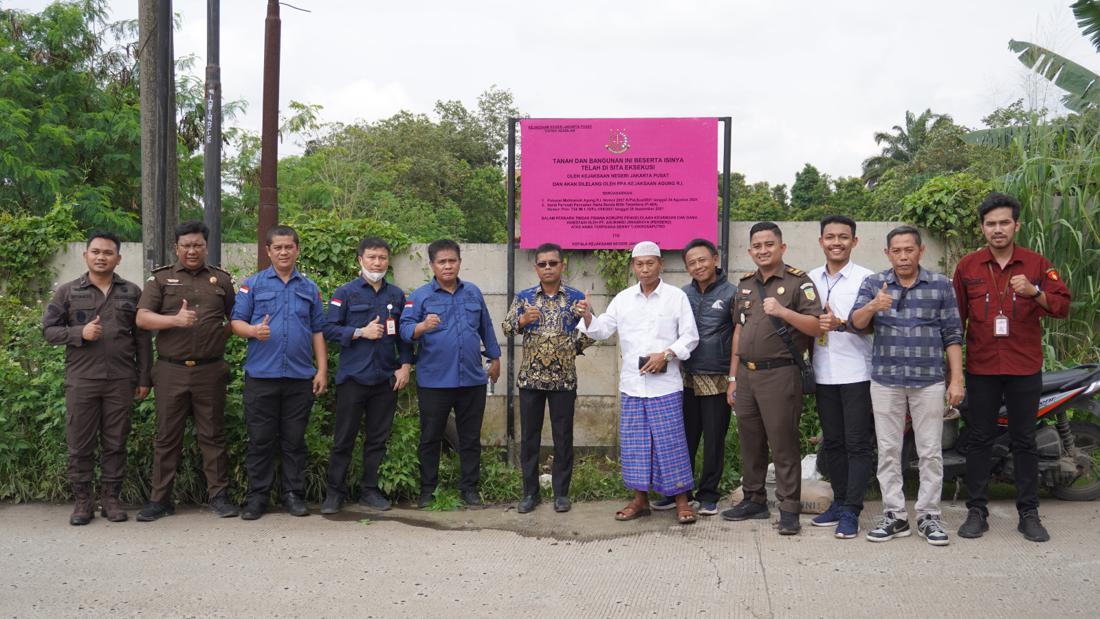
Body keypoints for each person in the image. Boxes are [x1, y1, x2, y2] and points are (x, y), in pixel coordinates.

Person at [953, 192, 1070, 543]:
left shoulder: (1036, 264)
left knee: (1024, 441)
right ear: (982, 228)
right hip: (982, 366)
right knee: (979, 439)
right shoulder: (967, 267)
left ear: (1016, 225)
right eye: (991, 224)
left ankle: (1028, 513)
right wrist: (953, 372)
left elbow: (1062, 306)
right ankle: (977, 511)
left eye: (1005, 222)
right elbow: (955, 320)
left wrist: (1035, 292)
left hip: (1023, 366)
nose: (998, 229)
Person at [851, 225, 964, 546]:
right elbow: (855, 324)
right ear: (887, 253)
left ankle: (929, 516)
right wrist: (873, 306)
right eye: (896, 251)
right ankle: (895, 515)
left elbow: (952, 334)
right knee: (888, 450)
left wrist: (956, 378)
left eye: (909, 250)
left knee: (930, 452)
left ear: (920, 251)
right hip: (886, 381)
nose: (903, 256)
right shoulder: (874, 283)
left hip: (928, 381)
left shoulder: (940, 285)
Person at [577, 241, 700, 525]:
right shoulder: (623, 299)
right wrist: (586, 315)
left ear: (661, 264)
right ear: (633, 266)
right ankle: (640, 500)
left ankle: (682, 500)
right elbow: (602, 329)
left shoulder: (675, 297)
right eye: (639, 264)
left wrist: (666, 354)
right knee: (635, 445)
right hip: (633, 386)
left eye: (650, 263)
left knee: (671, 444)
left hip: (665, 385)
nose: (645, 269)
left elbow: (690, 337)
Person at [42, 232, 153, 525]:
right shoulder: (67, 292)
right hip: (83, 379)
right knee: (80, 443)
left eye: (107, 252)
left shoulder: (131, 292)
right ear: (86, 256)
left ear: (118, 258)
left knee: (116, 442)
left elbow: (142, 339)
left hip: (120, 379)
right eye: (95, 252)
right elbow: (49, 331)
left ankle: (111, 500)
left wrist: (144, 377)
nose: (101, 257)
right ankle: (82, 503)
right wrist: (80, 333)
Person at [722, 222, 822, 536]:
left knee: (783, 443)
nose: (763, 250)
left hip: (780, 373)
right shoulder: (746, 284)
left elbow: (816, 327)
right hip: (747, 376)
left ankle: (789, 507)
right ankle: (754, 499)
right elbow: (739, 330)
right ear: (750, 251)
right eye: (757, 246)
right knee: (750, 441)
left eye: (769, 244)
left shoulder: (798, 282)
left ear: (782, 247)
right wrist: (733, 377)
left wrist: (783, 312)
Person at [135, 221, 238, 521]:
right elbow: (142, 318)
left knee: (213, 436)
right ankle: (160, 500)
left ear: (206, 247)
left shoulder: (221, 280)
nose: (192, 250)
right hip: (171, 371)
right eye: (186, 246)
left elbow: (237, 318)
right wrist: (174, 322)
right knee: (167, 437)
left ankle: (219, 497)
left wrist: (218, 337)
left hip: (210, 371)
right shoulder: (161, 280)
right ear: (176, 248)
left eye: (198, 245)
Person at [230, 225, 328, 520]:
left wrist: (322, 369)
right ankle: (258, 497)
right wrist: (253, 330)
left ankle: (292, 494)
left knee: (294, 439)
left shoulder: (309, 288)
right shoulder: (253, 285)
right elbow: (235, 323)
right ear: (268, 251)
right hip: (262, 376)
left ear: (297, 250)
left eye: (289, 247)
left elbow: (318, 331)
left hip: (299, 377)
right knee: (261, 439)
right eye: (278, 247)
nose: (283, 252)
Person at [399, 239, 501, 509]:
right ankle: (428, 491)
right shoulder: (420, 296)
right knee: (431, 437)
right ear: (432, 265)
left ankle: (469, 489)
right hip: (435, 380)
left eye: (452, 261)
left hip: (471, 379)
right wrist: (422, 326)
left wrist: (495, 357)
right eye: (442, 262)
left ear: (459, 262)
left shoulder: (473, 293)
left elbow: (486, 327)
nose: (447, 266)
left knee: (470, 438)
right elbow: (404, 331)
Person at [320, 236, 413, 514]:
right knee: (344, 438)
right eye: (372, 257)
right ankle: (334, 494)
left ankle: (369, 491)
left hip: (385, 378)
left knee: (377, 439)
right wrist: (360, 332)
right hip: (353, 378)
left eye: (382, 258)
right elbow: (328, 329)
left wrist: (405, 366)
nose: (377, 262)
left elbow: (405, 336)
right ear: (360, 259)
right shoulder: (345, 293)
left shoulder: (396, 295)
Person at [502, 242, 593, 514]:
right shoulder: (524, 297)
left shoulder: (576, 297)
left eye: (553, 263)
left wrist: (573, 344)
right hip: (531, 380)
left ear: (562, 265)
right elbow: (506, 328)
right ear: (536, 268)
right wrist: (522, 321)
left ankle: (561, 494)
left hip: (564, 381)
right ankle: (530, 493)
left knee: (563, 437)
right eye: (542, 264)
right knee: (529, 438)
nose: (548, 268)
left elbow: (594, 332)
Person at [808, 216, 876, 539]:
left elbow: (875, 325)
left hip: (857, 373)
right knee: (832, 442)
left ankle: (852, 510)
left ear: (854, 241)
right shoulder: (809, 280)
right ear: (821, 241)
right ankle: (838, 502)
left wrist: (842, 322)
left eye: (843, 237)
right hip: (823, 373)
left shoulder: (867, 279)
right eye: (830, 237)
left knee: (858, 444)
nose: (837, 242)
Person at [673, 238, 736, 517]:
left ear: (715, 258)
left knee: (713, 439)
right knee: (684, 438)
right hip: (685, 377)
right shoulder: (681, 295)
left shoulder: (733, 293)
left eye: (702, 260)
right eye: (692, 262)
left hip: (717, 376)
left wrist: (735, 377)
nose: (698, 266)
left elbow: (740, 336)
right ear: (687, 267)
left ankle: (708, 493)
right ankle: (680, 493)